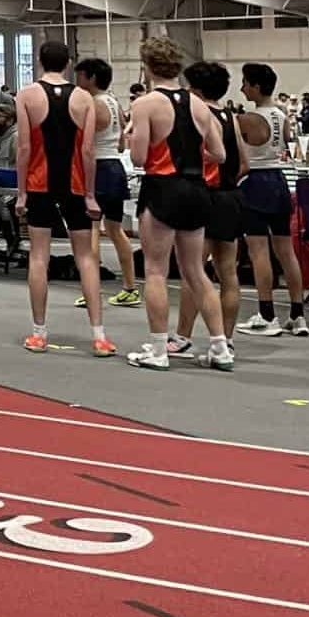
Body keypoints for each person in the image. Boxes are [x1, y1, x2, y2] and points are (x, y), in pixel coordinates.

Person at [127, 38, 231, 372]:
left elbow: (139, 157)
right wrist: (192, 154)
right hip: (197, 189)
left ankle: (158, 349)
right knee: (196, 271)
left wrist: (133, 137)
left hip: (163, 188)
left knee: (156, 270)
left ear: (147, 67)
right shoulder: (199, 105)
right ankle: (220, 347)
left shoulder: (146, 104)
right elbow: (221, 154)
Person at [14, 41, 112, 357]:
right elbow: (88, 151)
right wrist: (91, 194)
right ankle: (99, 336)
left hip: (40, 184)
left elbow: (24, 148)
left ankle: (39, 333)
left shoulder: (27, 96)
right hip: (75, 185)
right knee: (86, 257)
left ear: (40, 63)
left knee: (38, 257)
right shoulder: (84, 98)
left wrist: (22, 192)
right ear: (69, 63)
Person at [170, 61, 247, 356]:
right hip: (231, 197)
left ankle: (182, 336)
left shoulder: (197, 116)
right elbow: (243, 164)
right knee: (228, 272)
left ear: (197, 90)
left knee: (193, 271)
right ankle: (226, 340)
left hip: (205, 197)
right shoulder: (231, 117)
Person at [236, 62, 309, 337]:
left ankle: (267, 315)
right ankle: (297, 315)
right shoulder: (281, 115)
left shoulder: (248, 119)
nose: (242, 88)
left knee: (259, 253)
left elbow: (239, 155)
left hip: (255, 183)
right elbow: (287, 141)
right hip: (278, 181)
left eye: (245, 83)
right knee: (286, 251)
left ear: (255, 86)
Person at [73, 58, 141, 312]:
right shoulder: (114, 102)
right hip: (115, 167)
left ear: (90, 78)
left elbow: (85, 145)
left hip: (99, 169)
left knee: (92, 229)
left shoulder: (93, 104)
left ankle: (92, 290)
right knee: (114, 230)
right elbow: (123, 143)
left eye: (80, 76)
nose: (77, 81)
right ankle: (130, 288)